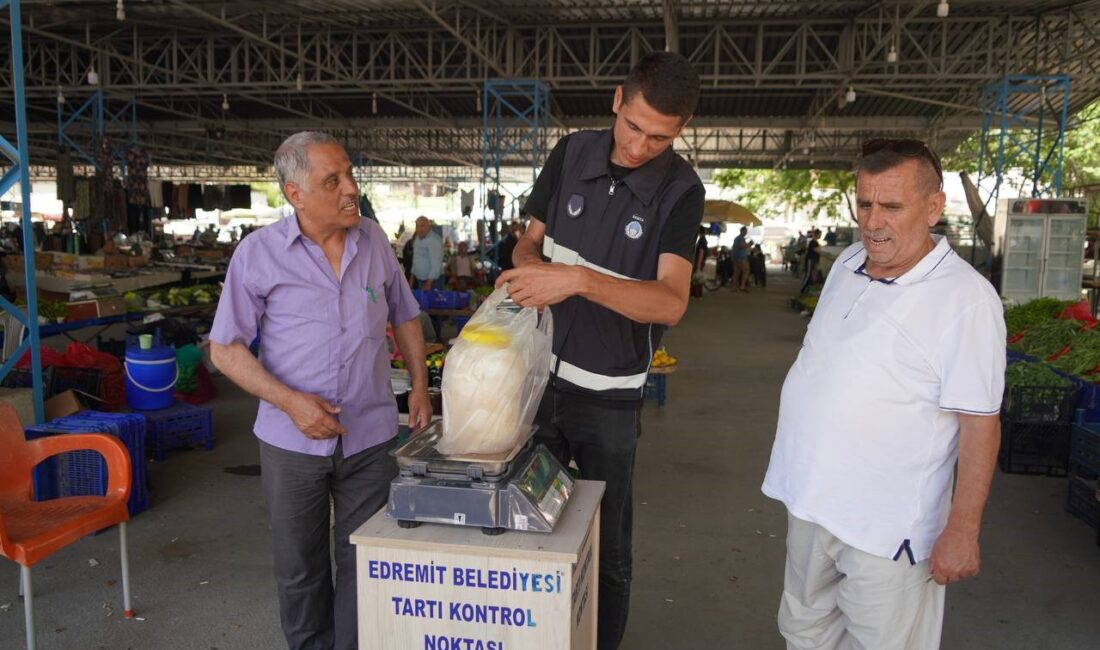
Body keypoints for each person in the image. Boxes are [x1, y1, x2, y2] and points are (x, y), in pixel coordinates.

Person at [497, 51, 704, 650]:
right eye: (633, 126)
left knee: (606, 543)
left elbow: (670, 302)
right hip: (537, 382)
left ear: (681, 130)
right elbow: (526, 244)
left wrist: (579, 280)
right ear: (617, 99)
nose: (640, 146)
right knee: (528, 524)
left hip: (608, 400)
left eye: (660, 137)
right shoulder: (571, 153)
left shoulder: (681, 191)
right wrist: (530, 270)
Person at [762, 139, 1005, 650]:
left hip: (885, 528)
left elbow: (979, 425)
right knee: (804, 630)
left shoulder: (966, 301)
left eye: (892, 207)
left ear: (933, 208)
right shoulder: (850, 261)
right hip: (810, 500)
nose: (873, 222)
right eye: (865, 203)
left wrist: (962, 532)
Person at [208, 131, 432, 650]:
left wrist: (419, 385)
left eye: (350, 173)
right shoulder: (258, 254)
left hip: (370, 437)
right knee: (300, 568)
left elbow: (405, 315)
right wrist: (290, 403)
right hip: (292, 444)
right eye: (333, 181)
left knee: (365, 563)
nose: (351, 188)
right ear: (295, 194)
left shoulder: (374, 240)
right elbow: (226, 349)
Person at [411, 215, 443, 289]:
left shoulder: (434, 240)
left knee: (433, 300)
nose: (419, 229)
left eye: (422, 225)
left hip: (432, 281)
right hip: (420, 279)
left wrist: (428, 283)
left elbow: (436, 264)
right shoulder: (417, 239)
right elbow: (416, 258)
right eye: (417, 226)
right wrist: (412, 278)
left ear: (429, 226)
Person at [799, 228, 821, 294]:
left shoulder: (814, 242)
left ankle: (806, 289)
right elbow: (817, 250)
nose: (820, 236)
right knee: (808, 275)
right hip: (810, 260)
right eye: (819, 234)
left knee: (810, 275)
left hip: (812, 260)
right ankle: (802, 289)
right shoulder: (813, 242)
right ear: (816, 235)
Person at [732, 225, 751, 291]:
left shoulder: (736, 238)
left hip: (735, 258)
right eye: (745, 231)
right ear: (742, 231)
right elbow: (741, 246)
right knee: (746, 270)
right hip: (741, 258)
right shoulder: (741, 238)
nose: (746, 233)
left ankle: (734, 287)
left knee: (736, 273)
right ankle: (742, 286)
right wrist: (749, 244)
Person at [692, 226, 708, 298]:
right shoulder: (702, 240)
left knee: (697, 278)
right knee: (697, 278)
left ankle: (697, 294)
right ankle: (696, 294)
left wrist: (698, 265)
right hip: (700, 261)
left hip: (699, 262)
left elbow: (701, 252)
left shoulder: (702, 240)